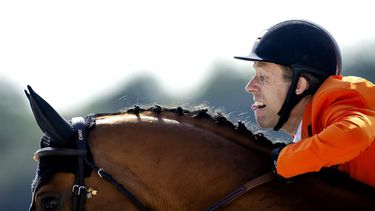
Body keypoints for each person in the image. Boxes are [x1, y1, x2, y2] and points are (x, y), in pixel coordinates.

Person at [234, 19, 375, 188]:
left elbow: (355, 135)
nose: (249, 87)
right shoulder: (310, 131)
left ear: (299, 85)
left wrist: (284, 162)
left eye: (263, 77)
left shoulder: (340, 97)